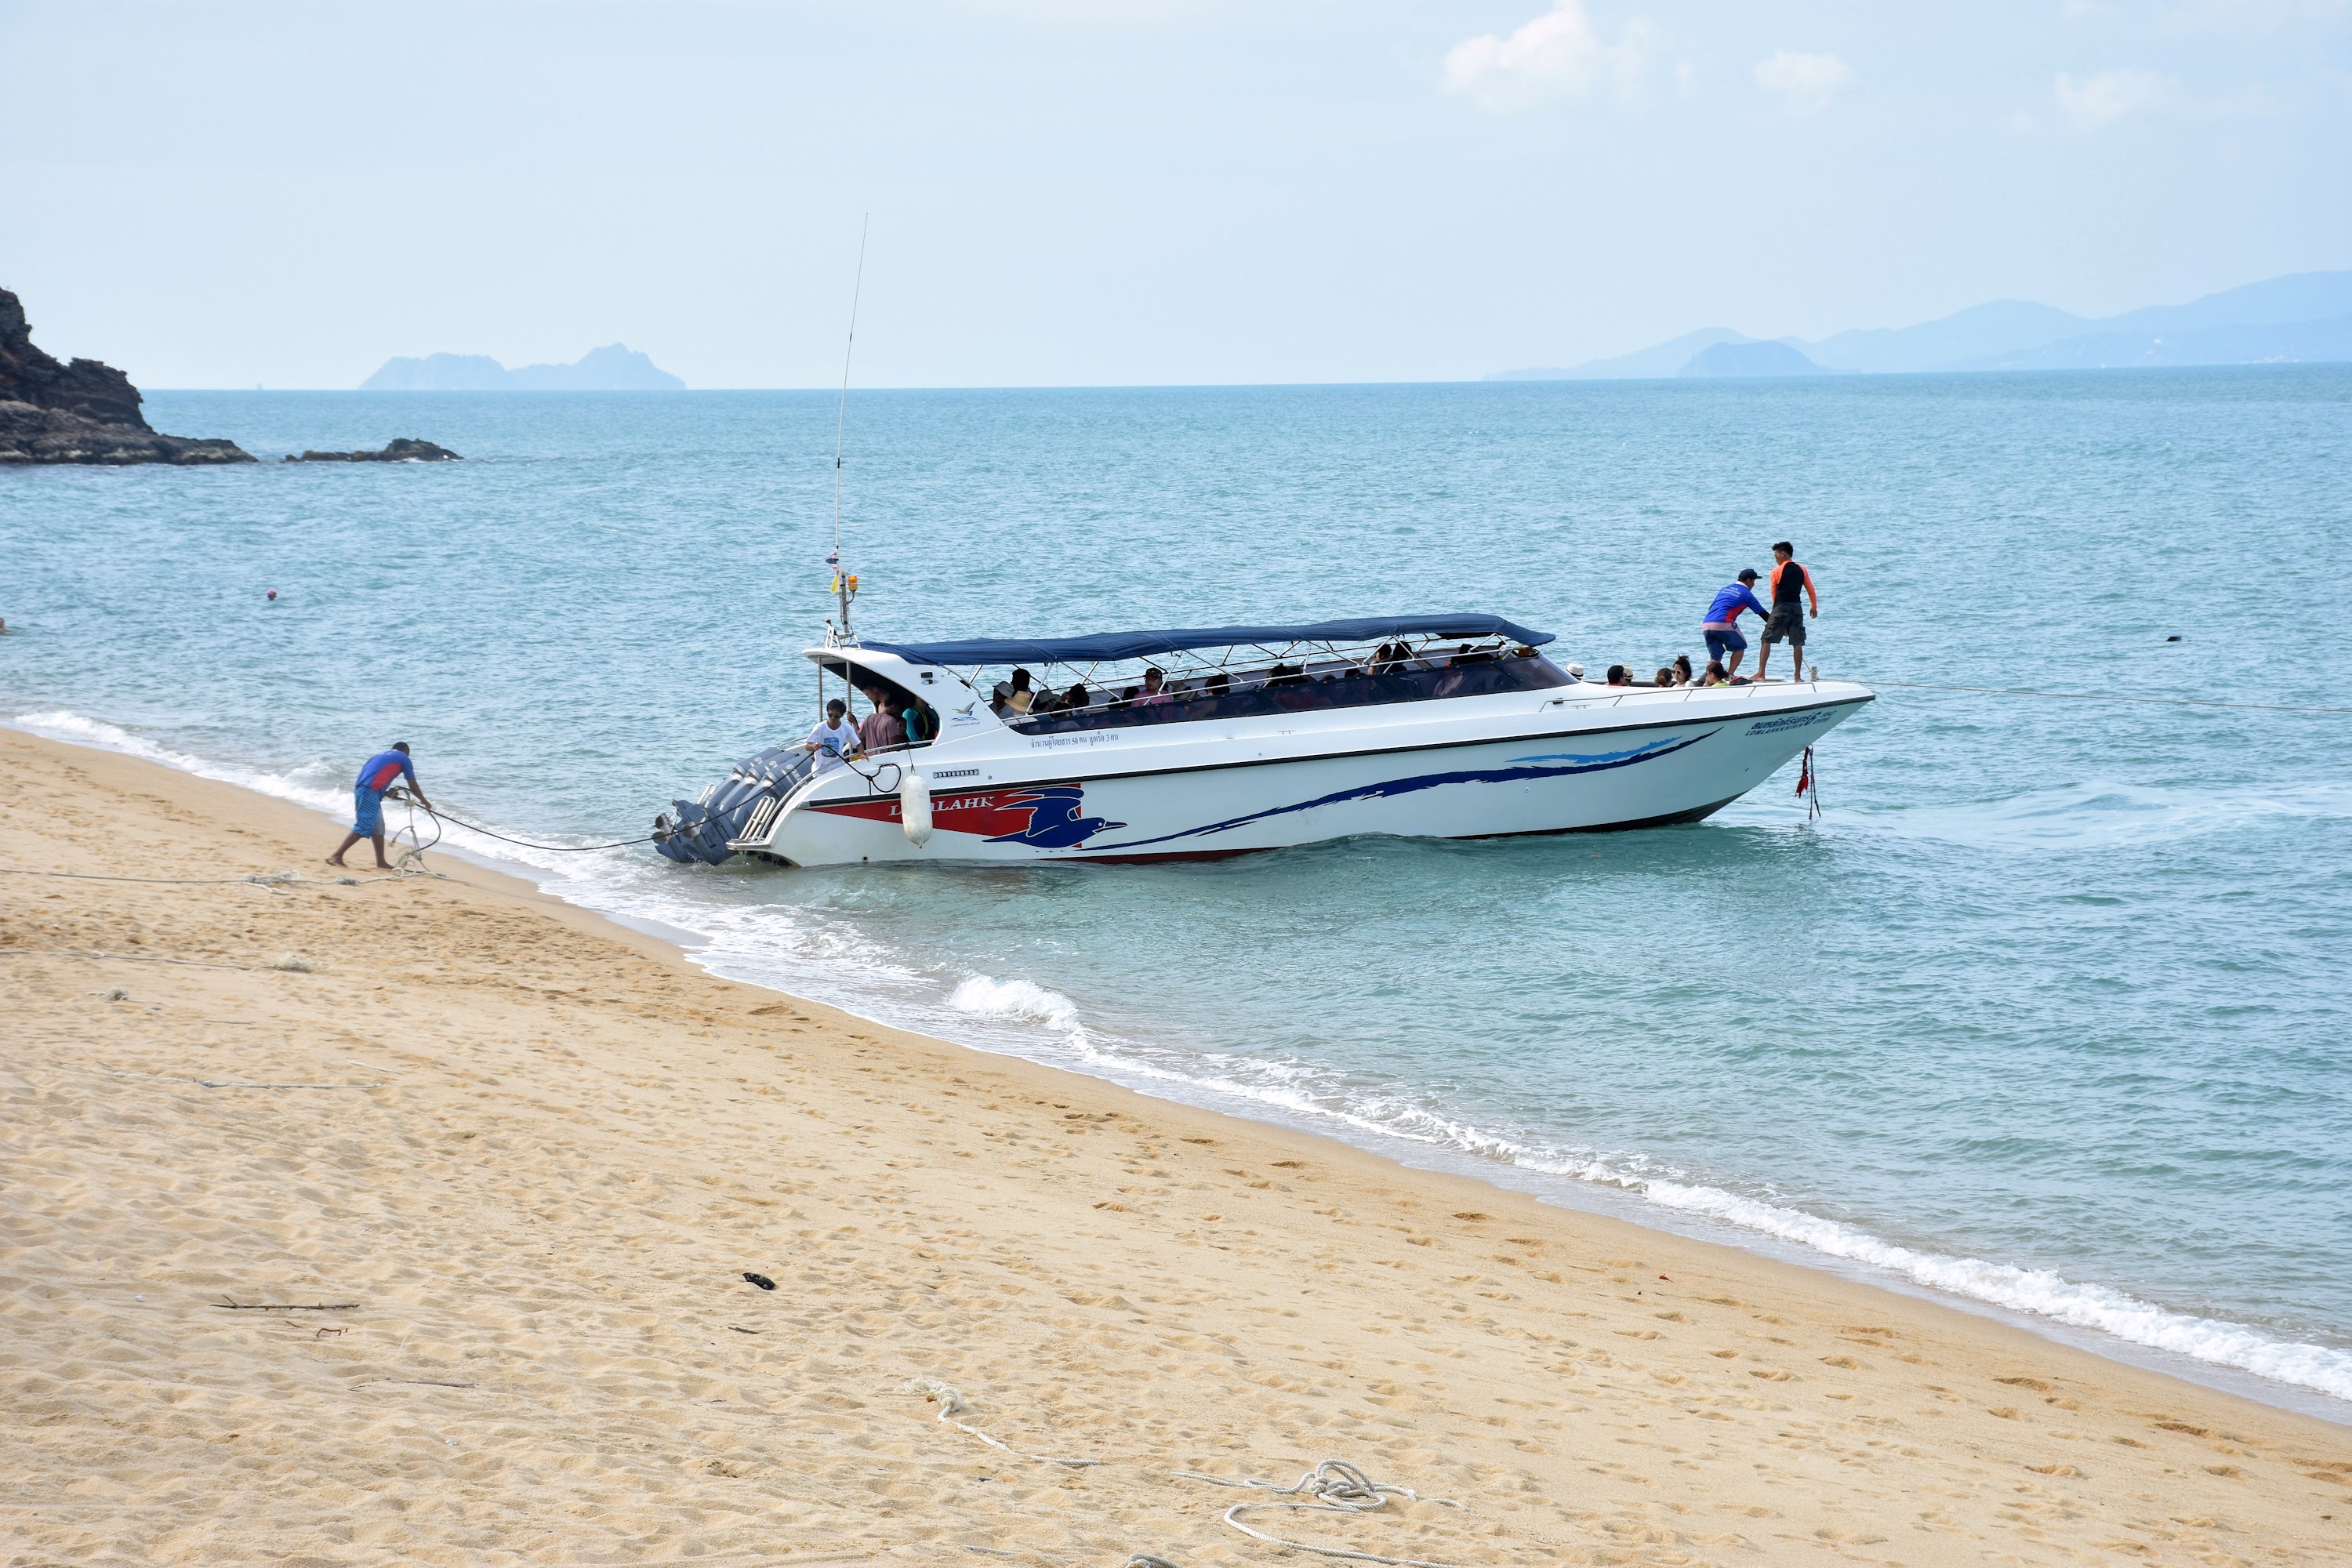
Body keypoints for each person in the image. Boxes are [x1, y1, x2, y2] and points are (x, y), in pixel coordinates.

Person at [328, 742, 430, 869]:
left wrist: (387, 793)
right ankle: (336, 856)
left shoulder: (378, 757)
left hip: (365, 790)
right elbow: (413, 785)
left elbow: (370, 778)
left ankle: (381, 862)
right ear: (406, 753)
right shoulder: (404, 758)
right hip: (368, 792)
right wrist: (424, 801)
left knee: (378, 827)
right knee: (364, 826)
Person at [1755, 541, 1820, 681]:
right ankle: (1798, 676)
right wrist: (1814, 607)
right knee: (1797, 642)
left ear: (1783, 553)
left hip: (1781, 606)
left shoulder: (1776, 571)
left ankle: (1761, 674)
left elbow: (1774, 594)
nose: (1775, 557)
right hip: (1797, 607)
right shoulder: (1802, 569)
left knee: (1766, 639)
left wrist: (1776, 616)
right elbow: (1811, 590)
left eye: (1776, 554)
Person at [1700, 568, 1768, 678]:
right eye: (1754, 581)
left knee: (1715, 658)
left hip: (1707, 624)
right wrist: (1779, 627)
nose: (1754, 585)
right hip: (1723, 623)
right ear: (1749, 580)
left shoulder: (1725, 589)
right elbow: (1762, 613)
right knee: (1740, 646)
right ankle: (1729, 675)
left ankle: (1706, 680)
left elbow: (1711, 607)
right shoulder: (1747, 594)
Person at [805, 699, 858, 773]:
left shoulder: (846, 728)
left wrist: (862, 754)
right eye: (830, 715)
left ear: (841, 715)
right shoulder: (819, 727)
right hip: (821, 769)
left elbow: (858, 743)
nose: (833, 718)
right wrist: (814, 746)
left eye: (836, 716)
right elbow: (807, 746)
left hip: (838, 768)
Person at [857, 681, 906, 754]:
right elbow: (892, 747)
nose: (898, 713)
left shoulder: (869, 718)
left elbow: (861, 739)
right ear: (893, 707)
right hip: (884, 759)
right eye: (898, 709)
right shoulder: (891, 721)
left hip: (871, 757)